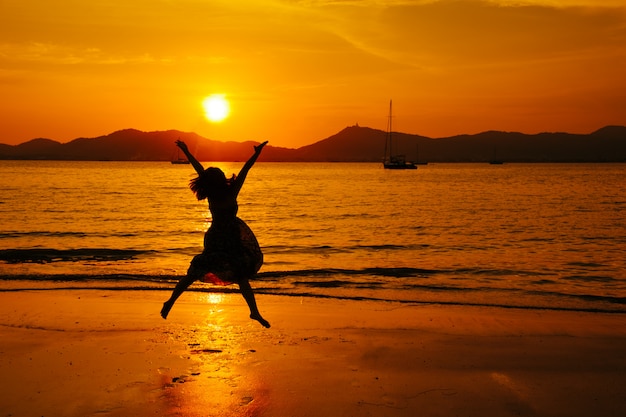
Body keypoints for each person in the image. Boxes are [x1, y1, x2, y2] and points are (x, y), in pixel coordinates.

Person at [160, 139, 270, 328]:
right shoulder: (231, 192)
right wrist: (257, 153)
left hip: (217, 237)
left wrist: (186, 150)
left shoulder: (212, 193)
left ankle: (170, 301)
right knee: (240, 275)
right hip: (229, 237)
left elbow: (199, 169)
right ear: (220, 179)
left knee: (195, 272)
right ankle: (254, 311)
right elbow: (246, 169)